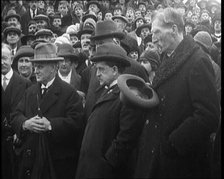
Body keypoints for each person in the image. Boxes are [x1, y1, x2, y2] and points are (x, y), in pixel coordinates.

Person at [134, 7, 220, 178]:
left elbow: (208, 115)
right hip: (159, 156)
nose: (153, 38)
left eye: (157, 32)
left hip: (180, 162)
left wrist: (173, 143)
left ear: (173, 29)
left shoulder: (198, 61)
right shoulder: (168, 57)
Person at [11, 43, 85, 179]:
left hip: (56, 164)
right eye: (35, 67)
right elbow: (15, 115)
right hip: (31, 163)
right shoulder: (30, 91)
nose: (36, 71)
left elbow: (77, 123)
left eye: (40, 67)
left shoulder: (69, 93)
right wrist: (25, 123)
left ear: (53, 67)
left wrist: (50, 125)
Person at [75, 42, 146, 179]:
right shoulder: (108, 91)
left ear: (114, 70)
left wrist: (107, 163)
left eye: (101, 69)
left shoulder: (126, 96)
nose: (97, 75)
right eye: (96, 69)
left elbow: (126, 137)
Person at [1, 43, 31, 179]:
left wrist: (20, 131)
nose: (1, 62)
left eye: (4, 58)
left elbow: (29, 111)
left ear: (11, 59)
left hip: (18, 144)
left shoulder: (25, 83)